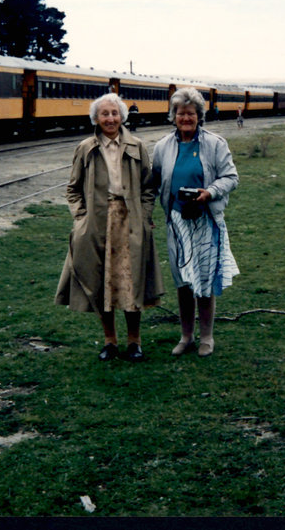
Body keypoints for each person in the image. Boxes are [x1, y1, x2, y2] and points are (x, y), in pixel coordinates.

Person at [54, 92, 164, 362]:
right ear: (96, 118)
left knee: (131, 282)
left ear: (122, 117)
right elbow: (72, 188)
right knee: (101, 281)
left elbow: (149, 187)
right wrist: (81, 217)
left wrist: (145, 215)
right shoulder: (86, 148)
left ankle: (134, 342)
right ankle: (110, 341)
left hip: (131, 221)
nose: (110, 119)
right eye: (105, 114)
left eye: (115, 113)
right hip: (96, 223)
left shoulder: (137, 146)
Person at [151, 87, 239, 358]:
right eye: (181, 113)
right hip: (177, 222)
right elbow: (153, 183)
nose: (186, 118)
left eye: (191, 114)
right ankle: (186, 336)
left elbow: (230, 177)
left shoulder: (214, 143)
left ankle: (207, 337)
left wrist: (209, 192)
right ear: (173, 116)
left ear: (199, 116)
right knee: (183, 281)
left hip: (205, 221)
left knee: (204, 278)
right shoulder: (162, 147)